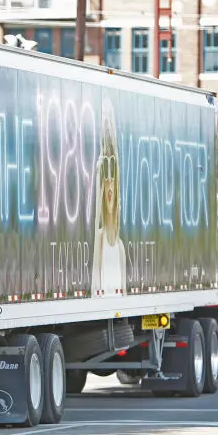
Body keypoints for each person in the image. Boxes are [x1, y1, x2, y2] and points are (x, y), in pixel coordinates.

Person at [92, 96, 128, 296]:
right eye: (105, 180)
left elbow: (123, 294)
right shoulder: (99, 241)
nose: (110, 188)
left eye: (113, 179)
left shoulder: (120, 248)